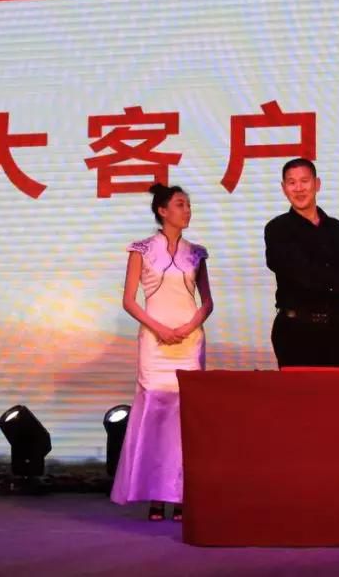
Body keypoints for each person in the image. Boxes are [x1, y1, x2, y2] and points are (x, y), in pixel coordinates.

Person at [111, 183, 213, 522]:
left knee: (186, 418)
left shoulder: (196, 253)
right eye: (180, 204)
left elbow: (207, 302)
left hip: (188, 341)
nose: (187, 210)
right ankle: (155, 494)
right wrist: (159, 329)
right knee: (154, 416)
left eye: (188, 205)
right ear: (162, 210)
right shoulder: (141, 249)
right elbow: (129, 300)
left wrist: (188, 327)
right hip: (155, 343)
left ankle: (182, 495)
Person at [264, 158, 339, 371]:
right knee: (299, 392)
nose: (299, 188)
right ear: (283, 188)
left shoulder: (338, 229)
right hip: (296, 332)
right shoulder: (277, 229)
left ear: (317, 184)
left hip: (338, 331)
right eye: (291, 182)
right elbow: (302, 273)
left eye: (304, 181)